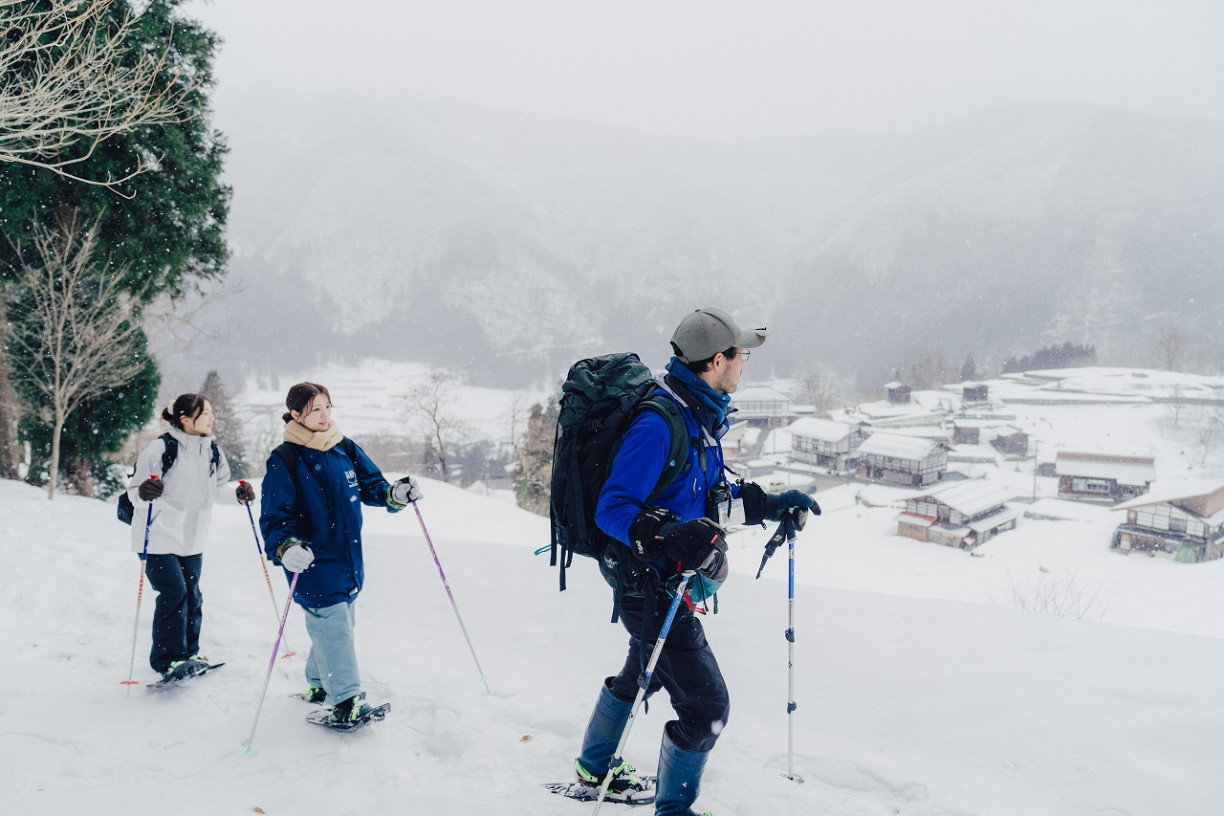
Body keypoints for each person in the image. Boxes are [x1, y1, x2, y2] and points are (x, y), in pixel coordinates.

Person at [571, 307, 820, 815]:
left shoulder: (697, 413)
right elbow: (612, 509)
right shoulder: (660, 423)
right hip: (647, 583)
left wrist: (771, 505)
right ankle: (674, 810)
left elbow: (706, 496)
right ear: (715, 360)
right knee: (707, 708)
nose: (744, 362)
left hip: (661, 578)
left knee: (646, 668)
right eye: (739, 354)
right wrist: (664, 535)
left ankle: (594, 766)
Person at [258, 382, 422, 726]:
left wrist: (396, 494)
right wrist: (286, 548)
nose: (324, 416)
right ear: (295, 414)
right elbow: (275, 518)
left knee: (339, 623)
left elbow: (372, 486)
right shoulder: (285, 458)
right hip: (312, 561)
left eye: (328, 407)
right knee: (334, 626)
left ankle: (319, 683)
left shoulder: (341, 446)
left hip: (349, 558)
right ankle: (344, 701)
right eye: (315, 409)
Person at [127, 393, 252, 681]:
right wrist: (143, 492)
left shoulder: (212, 450)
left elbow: (218, 489)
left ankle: (189, 653)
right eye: (205, 413)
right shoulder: (159, 450)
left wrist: (237, 495)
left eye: (210, 412)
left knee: (193, 594)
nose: (211, 417)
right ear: (184, 419)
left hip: (193, 537)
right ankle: (167, 660)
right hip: (157, 536)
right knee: (174, 593)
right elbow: (134, 491)